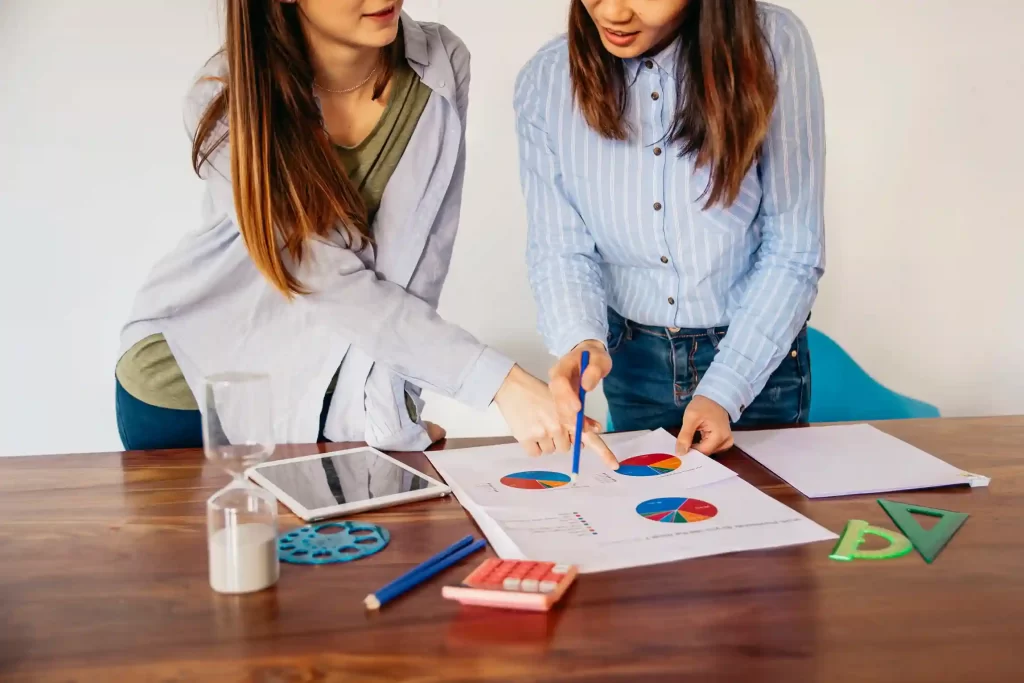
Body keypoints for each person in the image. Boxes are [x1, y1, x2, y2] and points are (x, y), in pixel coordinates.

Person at [115, 0, 616, 468]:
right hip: (188, 390)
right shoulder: (228, 96)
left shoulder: (440, 65)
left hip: (318, 408)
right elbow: (323, 281)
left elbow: (419, 268)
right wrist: (502, 383)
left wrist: (393, 413)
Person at [514, 0, 825, 456]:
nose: (613, 13)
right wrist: (579, 340)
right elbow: (561, 246)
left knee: (756, 518)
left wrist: (725, 387)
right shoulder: (545, 80)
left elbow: (794, 248)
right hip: (633, 357)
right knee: (652, 518)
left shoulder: (773, 44)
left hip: (755, 356)